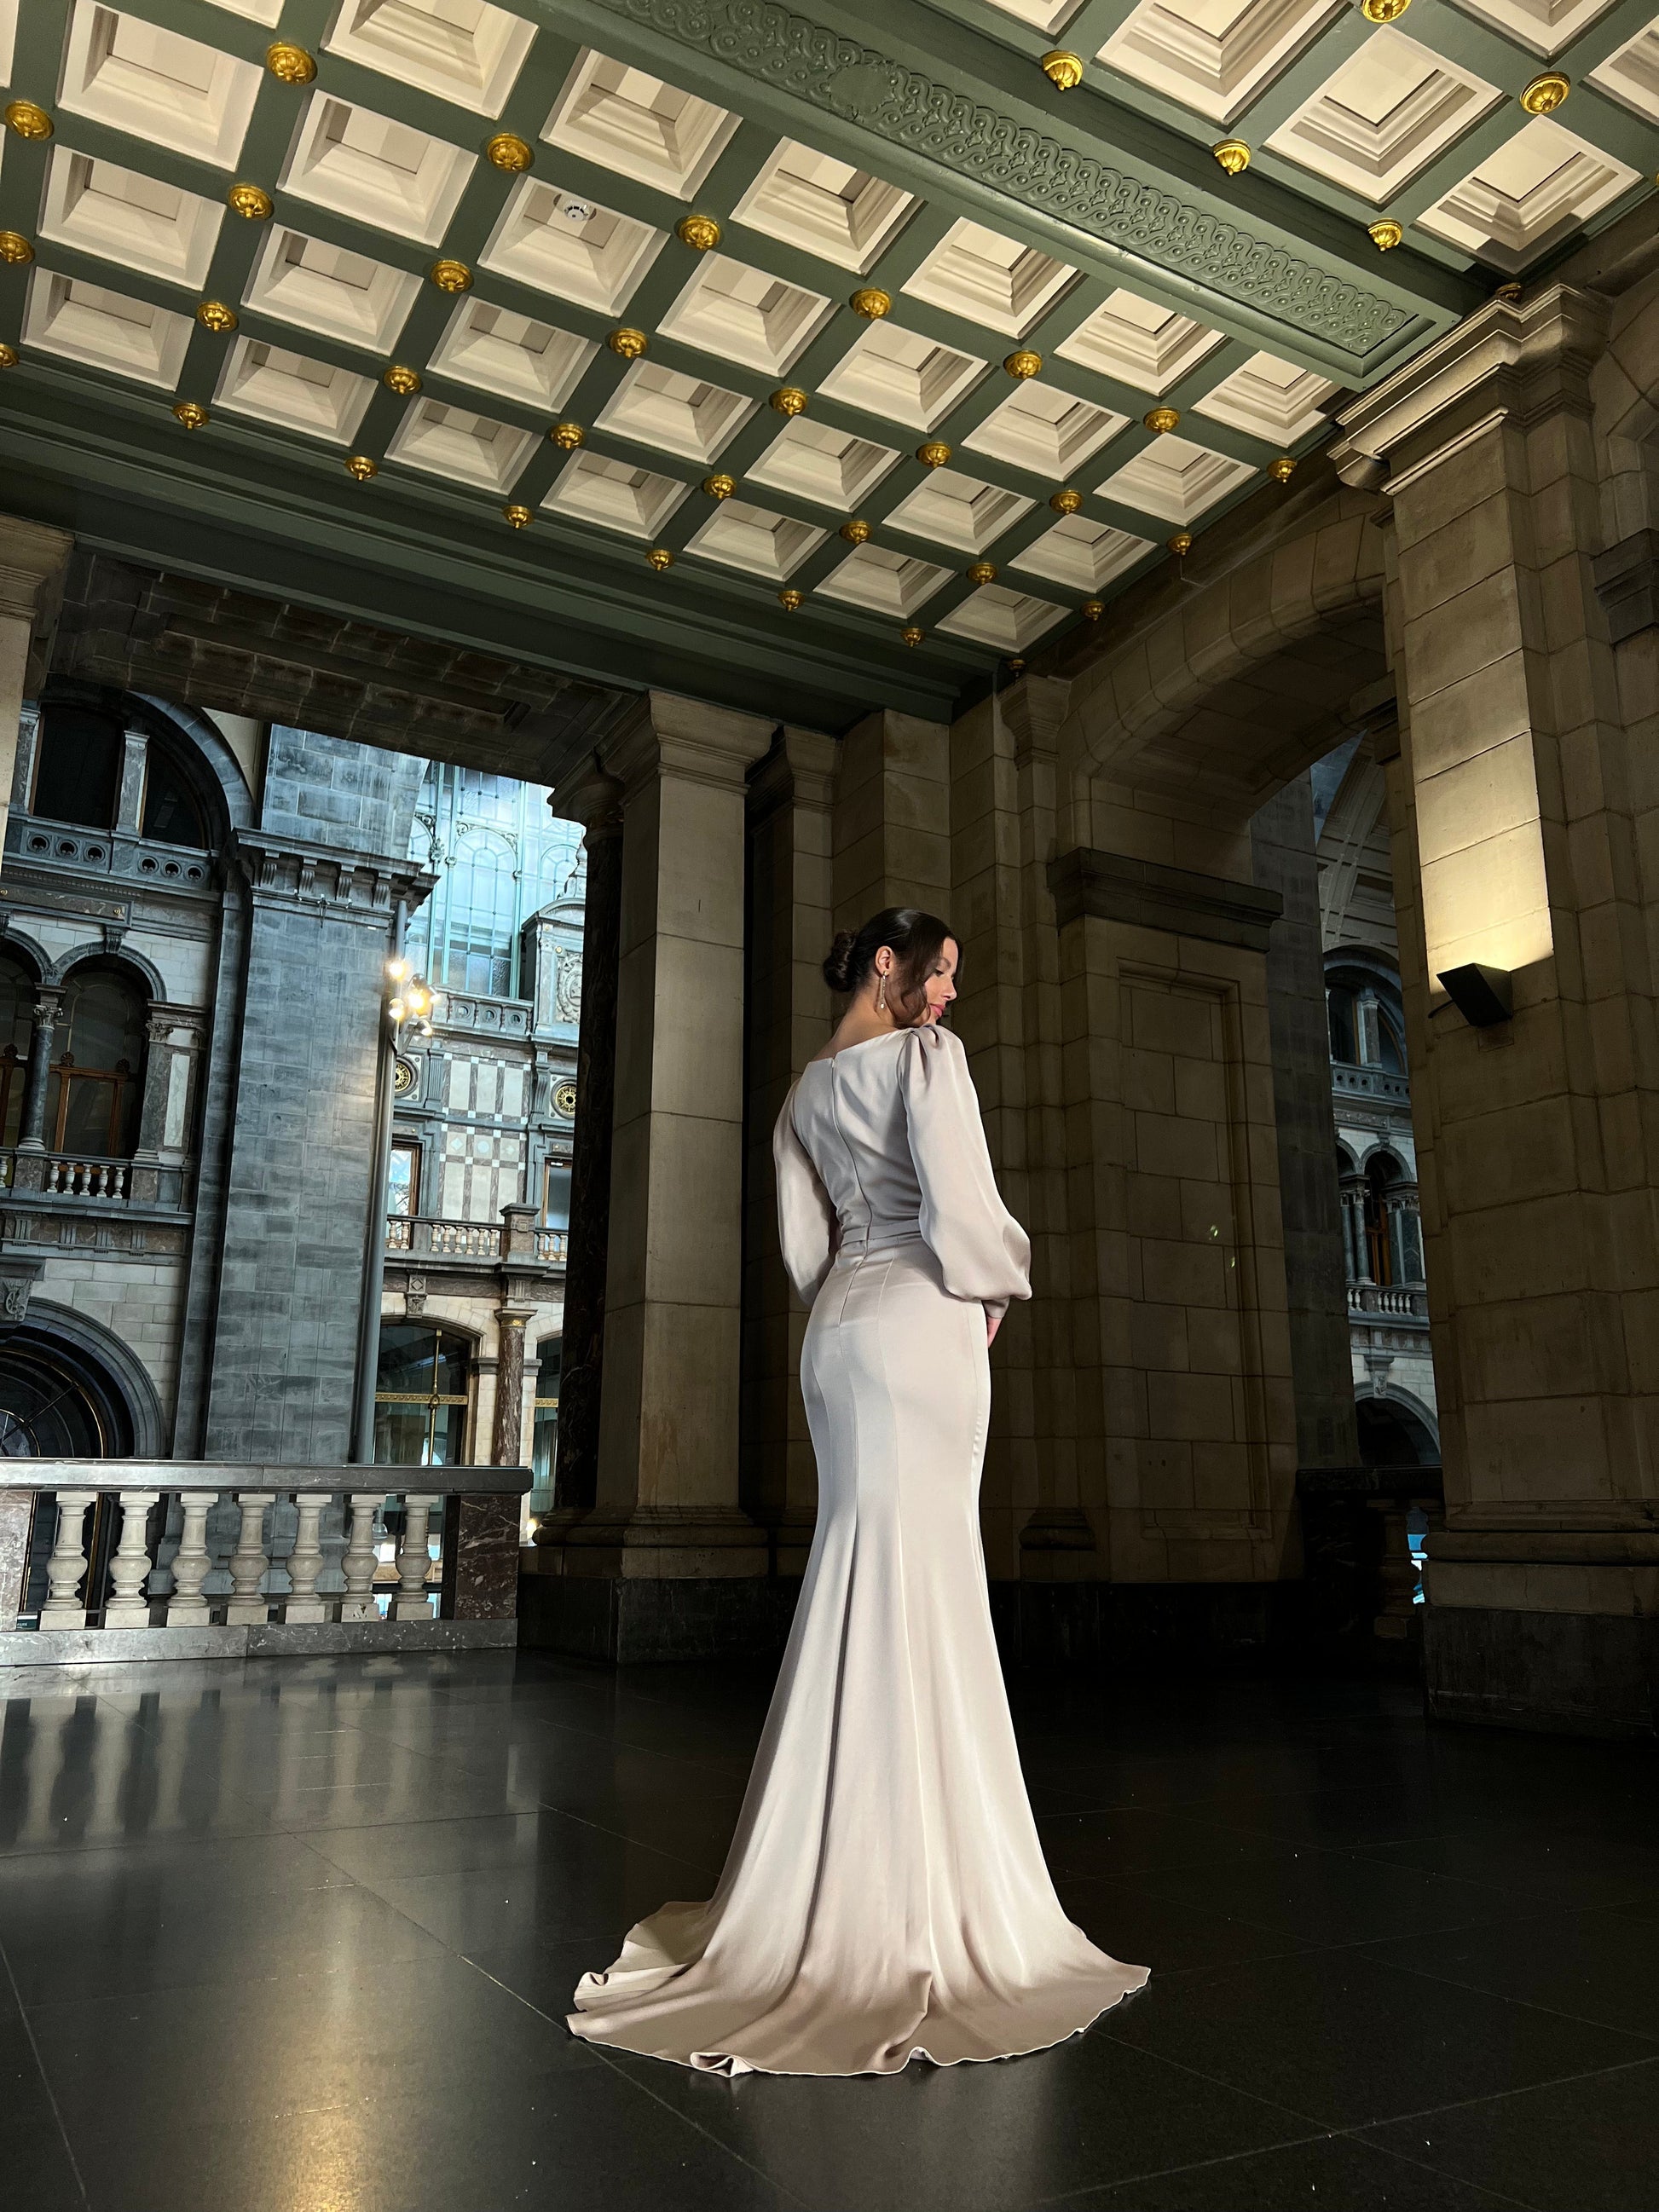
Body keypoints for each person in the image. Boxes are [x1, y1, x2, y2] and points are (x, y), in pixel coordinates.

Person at [567, 908, 1147, 2075]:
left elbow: (804, 1245)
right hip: (919, 1319)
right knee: (925, 1587)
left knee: (856, 1576)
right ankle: (915, 1895)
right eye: (942, 971)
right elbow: (960, 1202)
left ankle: (827, 1880)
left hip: (838, 1330)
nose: (950, 995)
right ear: (889, 964)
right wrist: (995, 1286)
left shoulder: (801, 1094)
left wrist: (860, 1288)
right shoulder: (926, 1058)